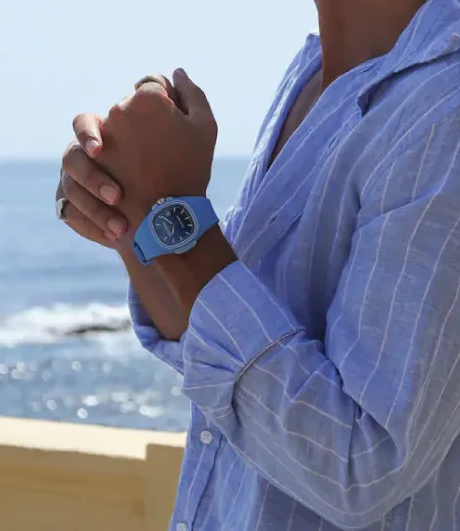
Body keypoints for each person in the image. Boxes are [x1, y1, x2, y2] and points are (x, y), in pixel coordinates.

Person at [56, 0, 460, 529]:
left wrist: (170, 208)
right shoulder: (316, 72)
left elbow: (361, 469)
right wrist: (131, 214)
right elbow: (224, 344)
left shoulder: (444, 109)